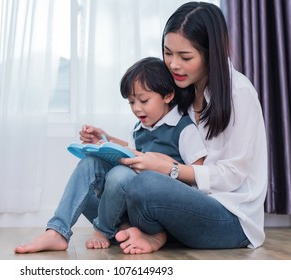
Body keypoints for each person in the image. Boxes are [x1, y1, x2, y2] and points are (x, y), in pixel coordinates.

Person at [108, 2, 268, 254]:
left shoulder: (239, 92)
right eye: (167, 53)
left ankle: (147, 231)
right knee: (102, 175)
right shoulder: (183, 88)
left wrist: (170, 169)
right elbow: (152, 139)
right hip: (185, 202)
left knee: (145, 185)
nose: (172, 65)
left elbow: (232, 176)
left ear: (210, 53)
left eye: (185, 57)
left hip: (230, 216)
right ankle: (149, 232)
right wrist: (109, 143)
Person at [14, 57, 207, 253]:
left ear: (168, 96)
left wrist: (166, 166)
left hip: (158, 210)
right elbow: (131, 153)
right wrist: (106, 141)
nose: (137, 108)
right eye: (131, 102)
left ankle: (105, 230)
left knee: (120, 175)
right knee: (88, 171)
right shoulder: (139, 128)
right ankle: (57, 231)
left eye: (144, 100)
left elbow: (199, 176)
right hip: (132, 206)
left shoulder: (184, 129)